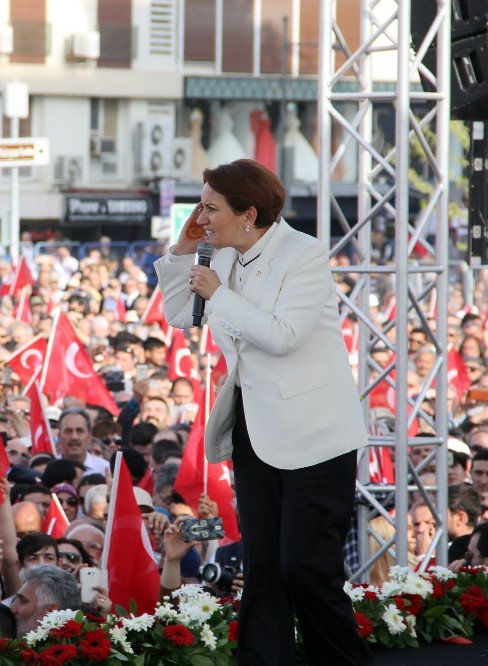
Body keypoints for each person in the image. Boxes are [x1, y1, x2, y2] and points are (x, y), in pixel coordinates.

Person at [155, 159, 372, 665]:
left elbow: (282, 335)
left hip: (316, 437)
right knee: (263, 569)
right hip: (255, 431)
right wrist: (183, 252)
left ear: (248, 213)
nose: (201, 215)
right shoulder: (221, 255)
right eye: (200, 205)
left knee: (305, 569)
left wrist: (219, 294)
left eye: (210, 207)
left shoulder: (304, 253)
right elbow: (181, 315)